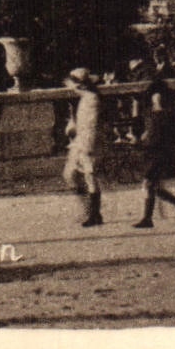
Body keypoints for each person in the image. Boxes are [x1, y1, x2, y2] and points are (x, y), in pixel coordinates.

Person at [132, 69, 175, 228]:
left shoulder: (164, 115)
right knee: (153, 186)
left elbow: (165, 135)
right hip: (154, 152)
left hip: (159, 153)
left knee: (149, 184)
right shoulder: (154, 113)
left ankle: (148, 218)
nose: (156, 99)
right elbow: (142, 129)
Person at [62, 67, 105, 228]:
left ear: (80, 85)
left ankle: (94, 213)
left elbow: (91, 125)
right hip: (82, 142)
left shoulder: (92, 99)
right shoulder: (86, 98)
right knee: (72, 175)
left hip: (88, 143)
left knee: (88, 177)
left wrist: (86, 145)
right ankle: (91, 211)